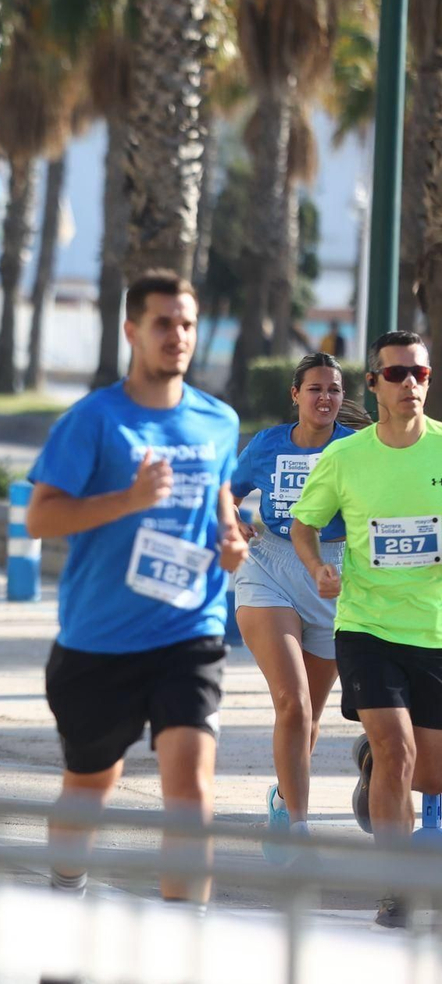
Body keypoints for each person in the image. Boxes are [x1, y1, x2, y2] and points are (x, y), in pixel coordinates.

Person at [25, 271, 247, 911]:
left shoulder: (217, 420)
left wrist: (231, 539)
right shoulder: (94, 420)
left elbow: (219, 495)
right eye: (162, 323)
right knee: (89, 789)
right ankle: (67, 889)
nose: (177, 336)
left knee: (192, 791)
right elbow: (40, 518)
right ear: (131, 331)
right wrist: (128, 500)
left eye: (186, 323)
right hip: (99, 639)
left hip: (189, 632)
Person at [291, 330, 442, 929]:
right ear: (374, 384)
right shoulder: (346, 457)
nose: (411, 384)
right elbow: (305, 525)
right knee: (396, 748)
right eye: (398, 374)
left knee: (427, 773)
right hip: (366, 626)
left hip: (433, 630)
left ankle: (373, 770)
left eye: (421, 374)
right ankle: (396, 887)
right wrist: (317, 568)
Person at [228, 352, 354, 859]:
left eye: (335, 390)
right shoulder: (267, 444)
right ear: (295, 395)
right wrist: (234, 519)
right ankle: (298, 830)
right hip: (270, 566)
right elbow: (229, 491)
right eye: (315, 388)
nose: (325, 397)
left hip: (335, 574)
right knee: (292, 701)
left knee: (311, 715)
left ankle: (283, 798)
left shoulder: (355, 448)